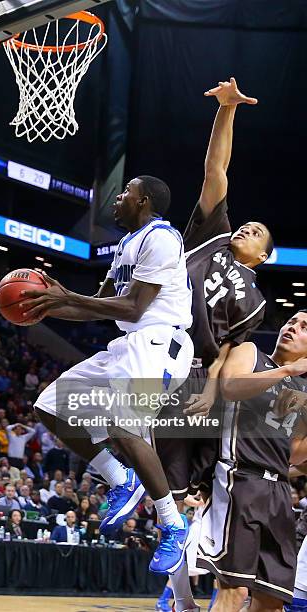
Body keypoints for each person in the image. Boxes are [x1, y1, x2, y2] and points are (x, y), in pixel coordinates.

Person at [20, 175, 194, 574]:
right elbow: (97, 306)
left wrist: (66, 297)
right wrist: (46, 309)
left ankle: (173, 526)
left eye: (124, 194)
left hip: (159, 343)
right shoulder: (124, 246)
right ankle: (120, 479)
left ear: (144, 200)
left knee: (124, 425)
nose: (117, 200)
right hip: (127, 345)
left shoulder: (162, 238)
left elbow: (133, 307)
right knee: (50, 407)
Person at [155, 77, 272, 612]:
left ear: (265, 256)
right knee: (92, 413)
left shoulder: (255, 303)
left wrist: (212, 389)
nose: (245, 226)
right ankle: (179, 586)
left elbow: (232, 347)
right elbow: (215, 171)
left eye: (256, 232)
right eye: (244, 223)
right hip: (161, 345)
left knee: (198, 489)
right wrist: (227, 111)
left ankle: (197, 585)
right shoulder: (213, 236)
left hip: (199, 372)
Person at [197, 310, 307, 612]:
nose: (292, 327)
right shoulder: (251, 353)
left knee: (272, 600)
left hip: (280, 491)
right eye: (291, 322)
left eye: (304, 327)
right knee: (234, 591)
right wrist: (287, 371)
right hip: (239, 479)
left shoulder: (304, 392)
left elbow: (294, 454)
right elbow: (230, 387)